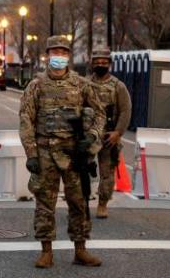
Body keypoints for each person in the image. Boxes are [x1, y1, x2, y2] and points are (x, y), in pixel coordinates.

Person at [19, 35, 105, 268]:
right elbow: (26, 118)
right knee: (45, 203)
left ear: (68, 56)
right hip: (46, 151)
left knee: (79, 202)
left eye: (62, 52)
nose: (58, 56)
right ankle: (46, 250)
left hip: (73, 152)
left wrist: (92, 138)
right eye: (54, 52)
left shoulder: (82, 84)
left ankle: (80, 249)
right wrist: (31, 154)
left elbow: (99, 114)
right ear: (47, 56)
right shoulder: (36, 85)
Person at [88, 46, 131, 219]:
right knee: (81, 171)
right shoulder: (85, 84)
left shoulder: (118, 86)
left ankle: (102, 204)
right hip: (89, 136)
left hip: (109, 136)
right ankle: (82, 203)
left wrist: (118, 132)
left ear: (109, 64)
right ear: (92, 64)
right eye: (97, 61)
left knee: (107, 172)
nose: (100, 64)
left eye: (104, 62)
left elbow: (125, 110)